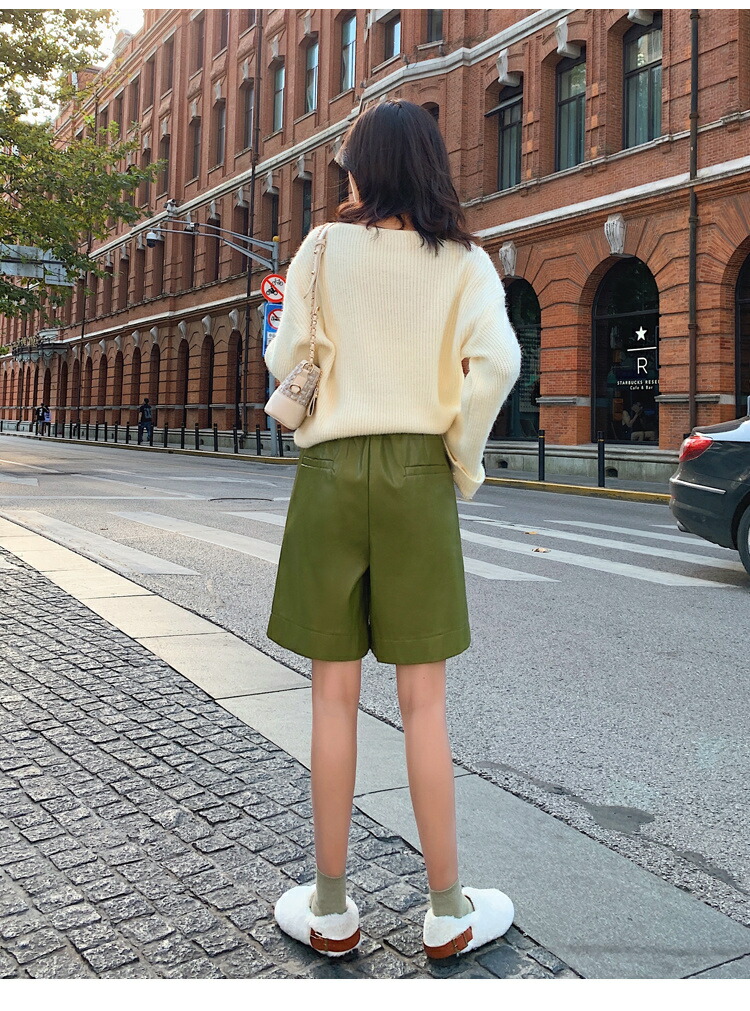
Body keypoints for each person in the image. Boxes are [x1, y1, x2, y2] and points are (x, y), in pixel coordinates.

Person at [265, 100, 522, 960]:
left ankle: (331, 906)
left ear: (364, 169)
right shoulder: (464, 260)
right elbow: (500, 362)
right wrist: (458, 454)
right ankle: (447, 910)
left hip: (331, 475)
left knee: (331, 695)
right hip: (416, 474)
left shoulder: (321, 249)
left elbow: (286, 358)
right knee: (424, 703)